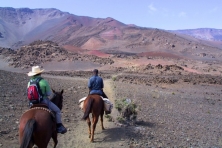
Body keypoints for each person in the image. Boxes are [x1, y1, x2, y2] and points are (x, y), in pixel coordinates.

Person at [27, 66, 67, 134]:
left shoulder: (29, 83)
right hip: (43, 101)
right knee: (57, 111)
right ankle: (59, 126)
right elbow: (49, 94)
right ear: (40, 73)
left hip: (32, 103)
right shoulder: (43, 81)